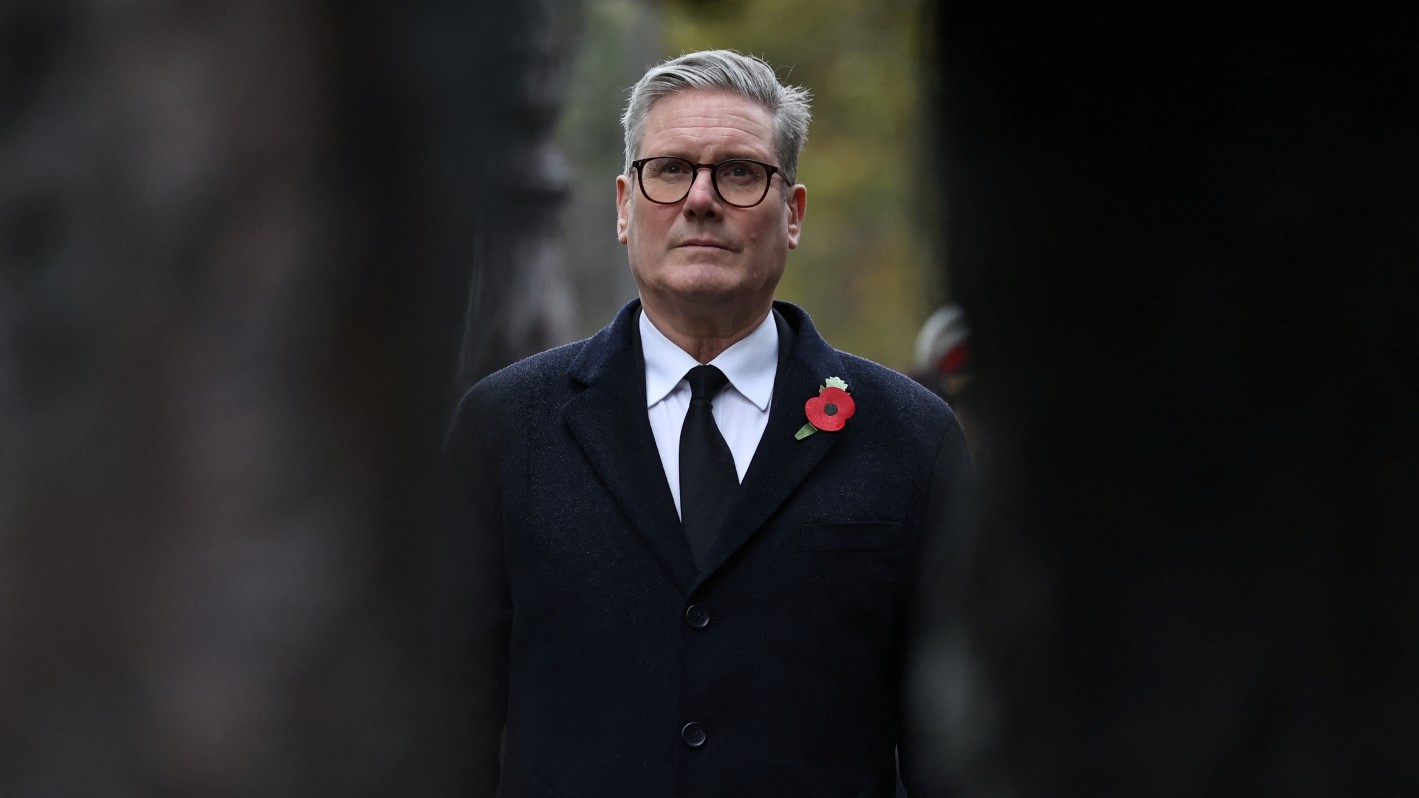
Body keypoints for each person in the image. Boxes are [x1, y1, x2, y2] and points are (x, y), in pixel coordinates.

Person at [445, 49, 973, 796]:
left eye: (739, 172)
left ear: (792, 214)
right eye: (670, 170)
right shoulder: (506, 428)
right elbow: (451, 723)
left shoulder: (909, 438)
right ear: (624, 206)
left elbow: (954, 747)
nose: (700, 199)